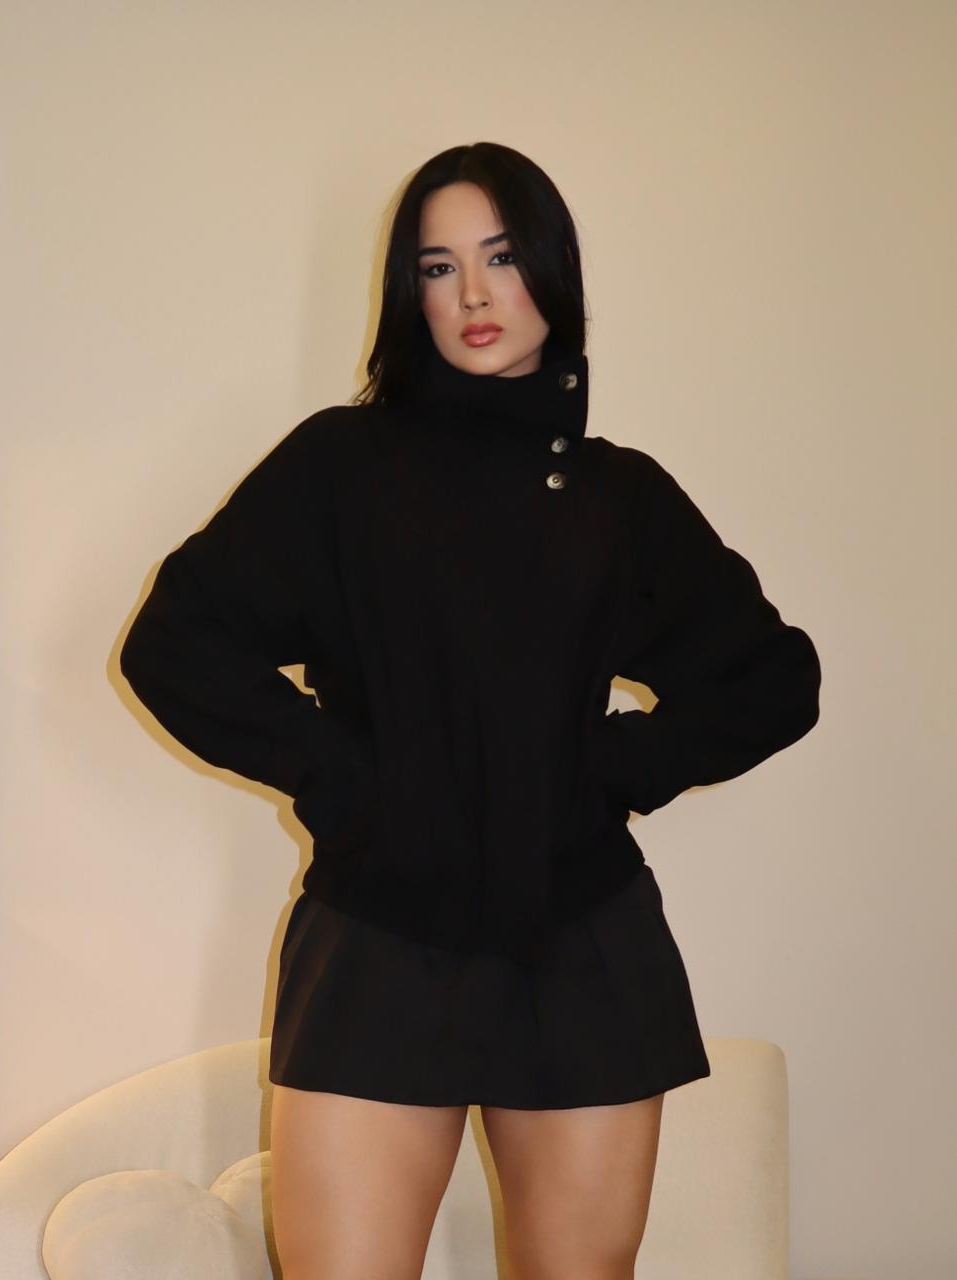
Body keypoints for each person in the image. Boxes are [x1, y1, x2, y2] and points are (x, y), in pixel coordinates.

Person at [119, 141, 821, 1280]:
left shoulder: (617, 496)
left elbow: (771, 678)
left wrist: (610, 768)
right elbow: (176, 645)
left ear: (552, 269)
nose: (474, 295)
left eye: (499, 256)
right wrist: (347, 781)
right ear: (410, 293)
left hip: (582, 939)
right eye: (438, 267)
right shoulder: (340, 467)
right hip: (378, 932)